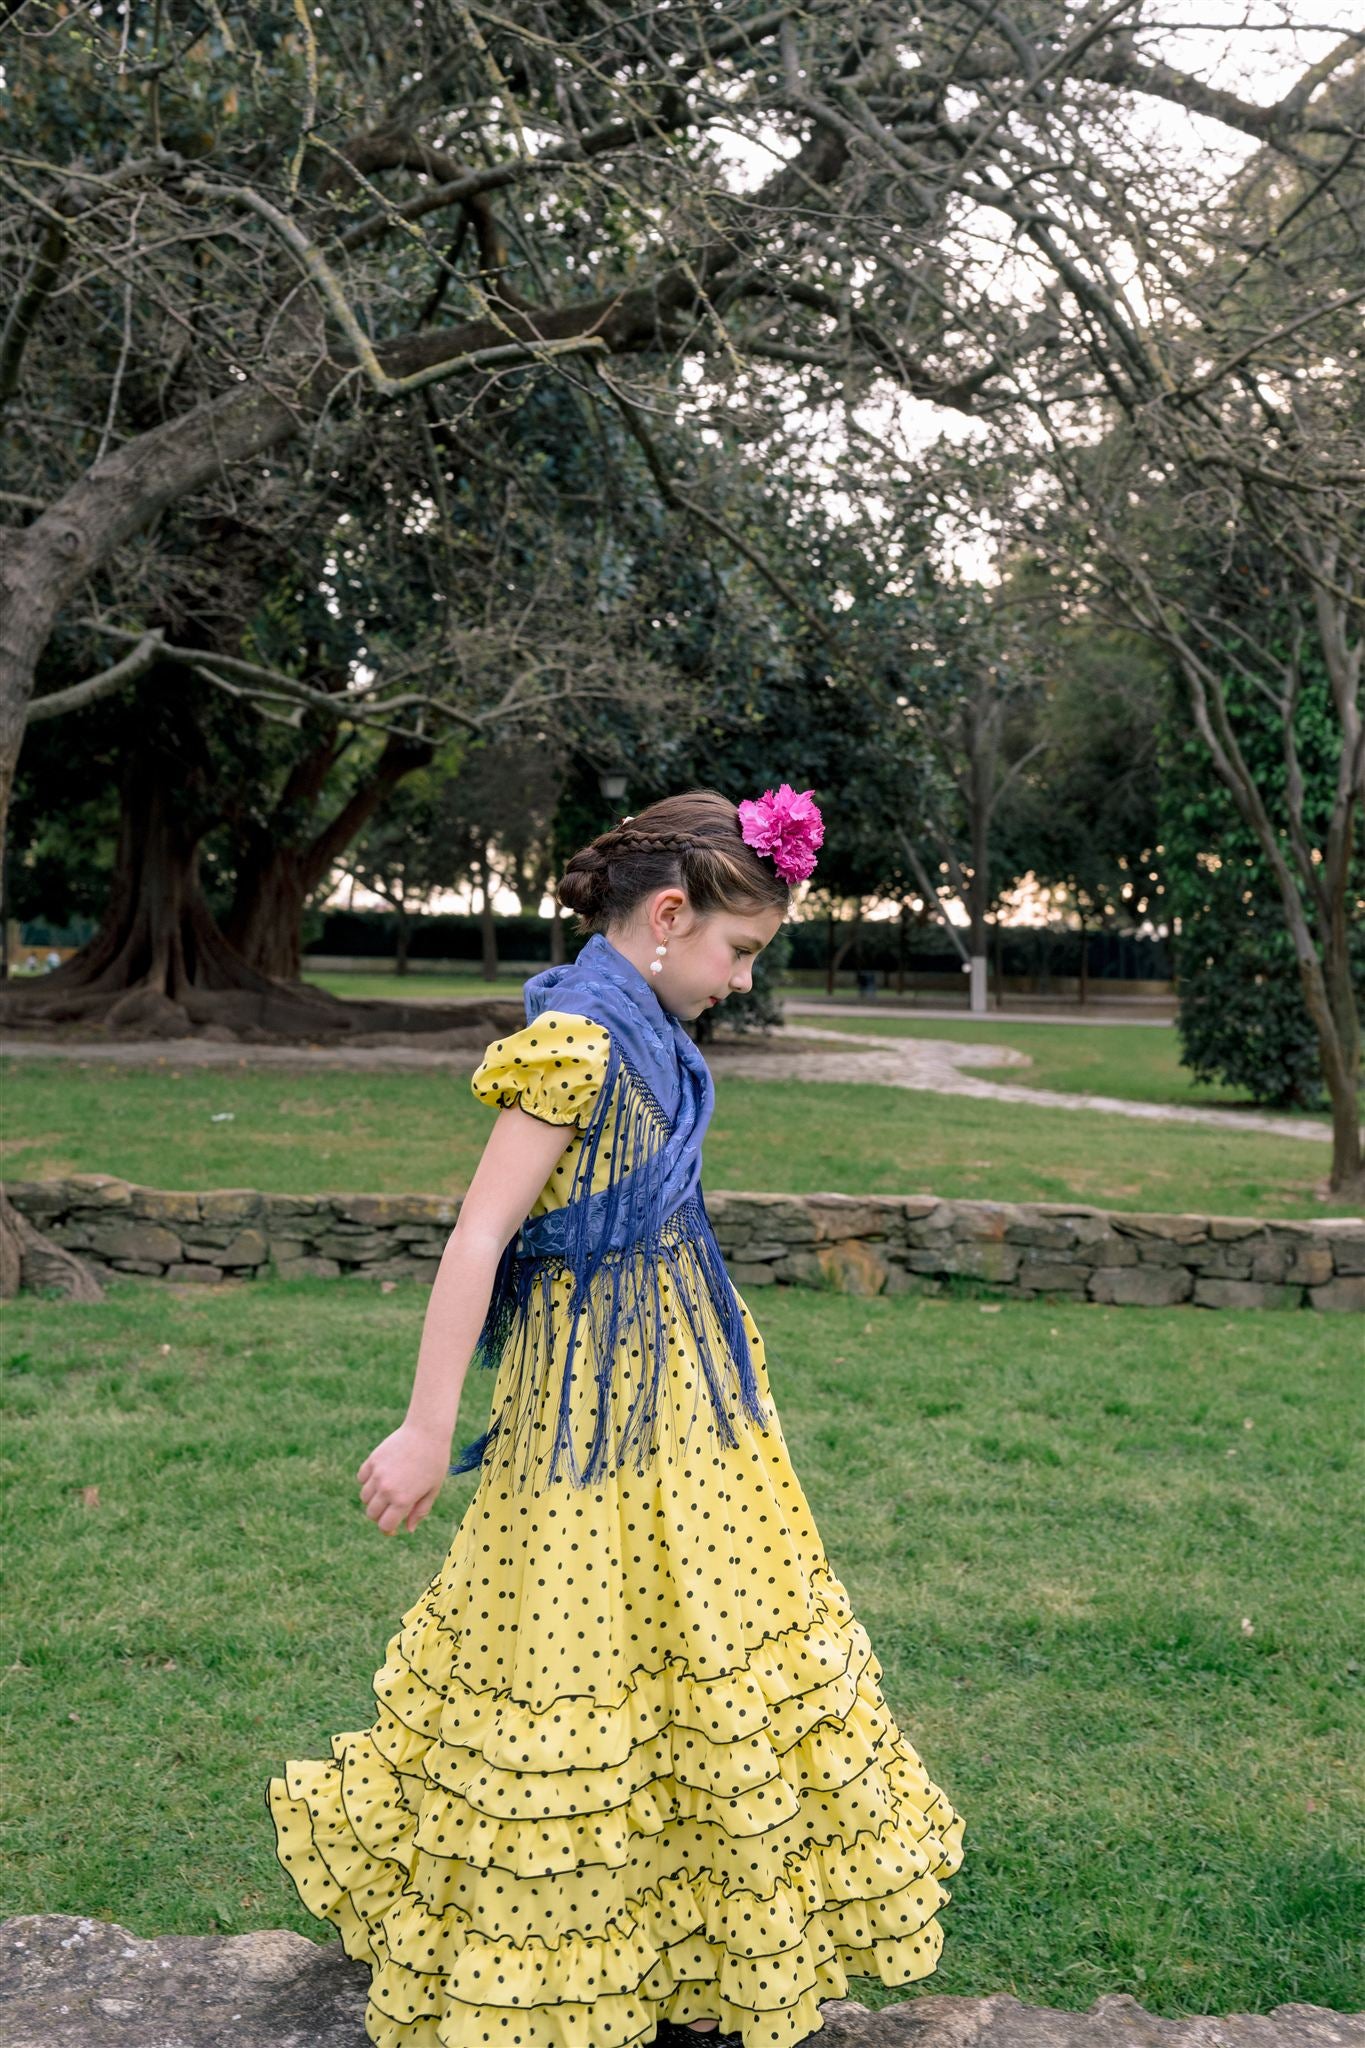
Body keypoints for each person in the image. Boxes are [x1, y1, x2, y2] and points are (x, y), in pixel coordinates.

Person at [266, 786, 965, 2048]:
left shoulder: (644, 1022)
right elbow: (481, 1231)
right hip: (587, 1404)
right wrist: (429, 1426)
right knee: (569, 1646)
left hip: (688, 1396)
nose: (743, 982)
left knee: (697, 1640)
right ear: (666, 915)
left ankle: (666, 1936)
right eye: (739, 951)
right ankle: (546, 1954)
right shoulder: (580, 1039)